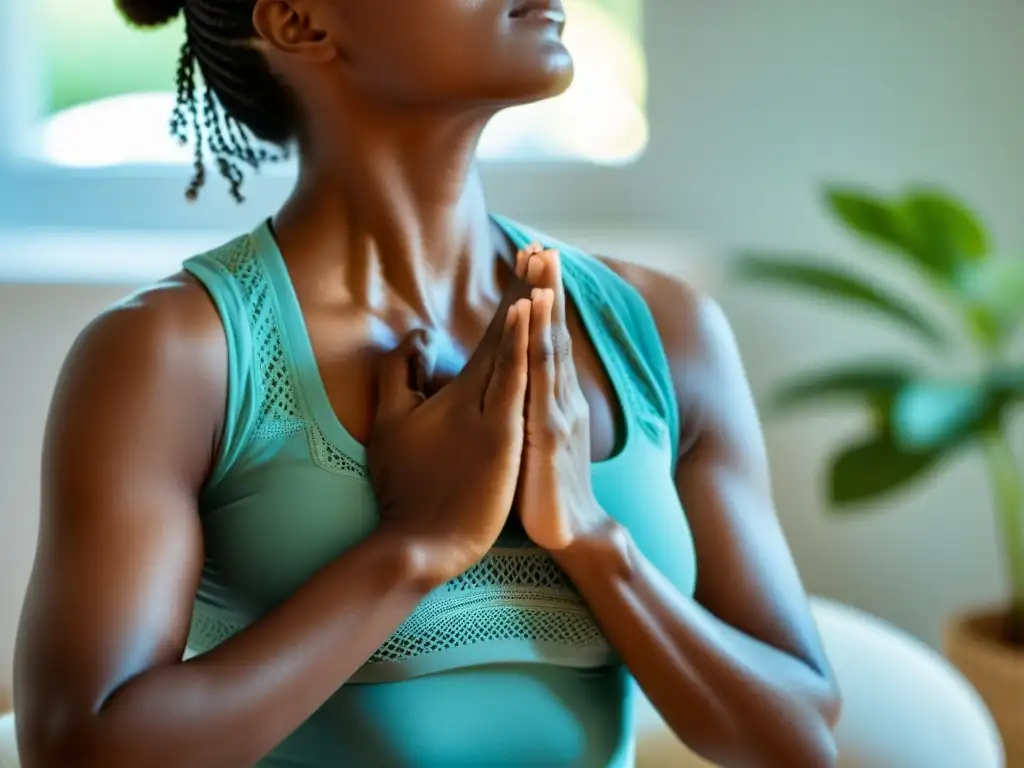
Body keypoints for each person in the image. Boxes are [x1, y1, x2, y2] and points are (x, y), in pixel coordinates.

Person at [13, 1, 841, 766]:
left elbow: (800, 737)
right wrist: (413, 548)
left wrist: (591, 540)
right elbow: (81, 751)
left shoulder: (665, 333)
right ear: (301, 21)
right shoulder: (171, 358)